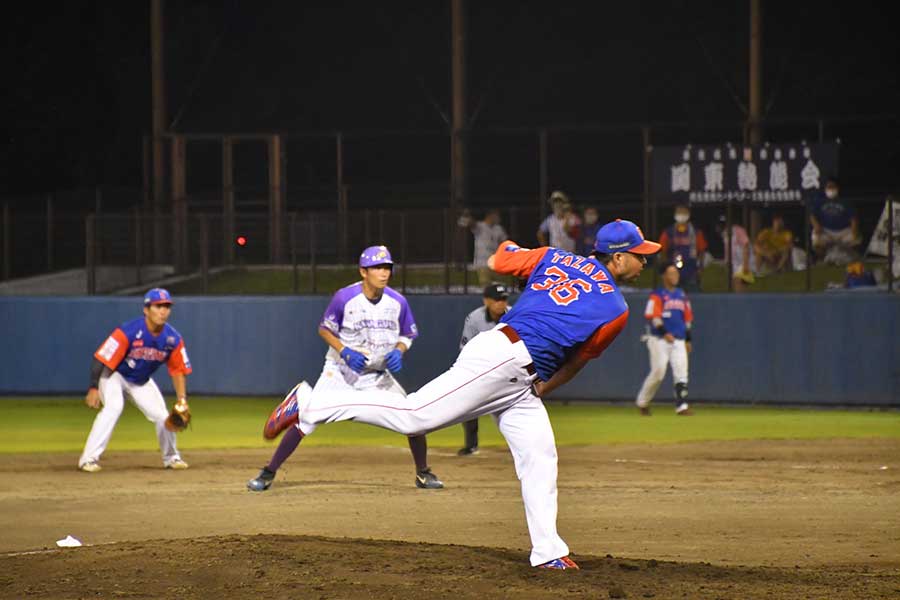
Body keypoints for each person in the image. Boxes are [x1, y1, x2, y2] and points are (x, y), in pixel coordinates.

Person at [267, 219, 660, 569]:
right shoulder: (615, 307)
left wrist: (527, 264)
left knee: (540, 456)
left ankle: (548, 551)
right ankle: (312, 402)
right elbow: (576, 361)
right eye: (640, 255)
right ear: (617, 258)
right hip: (504, 360)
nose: (645, 262)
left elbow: (498, 261)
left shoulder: (556, 257)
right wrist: (546, 386)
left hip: (516, 375)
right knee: (414, 415)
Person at [247, 245, 444, 492]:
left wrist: (399, 350)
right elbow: (324, 329)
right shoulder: (345, 297)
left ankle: (423, 473)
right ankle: (269, 471)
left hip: (377, 375)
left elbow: (408, 334)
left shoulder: (398, 302)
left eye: (387, 268)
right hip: (340, 371)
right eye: (377, 268)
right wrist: (344, 351)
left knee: (412, 419)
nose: (384, 273)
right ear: (363, 271)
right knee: (308, 420)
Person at [78, 288, 192, 472]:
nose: (163, 311)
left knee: (163, 417)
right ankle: (88, 459)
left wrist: (182, 399)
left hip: (141, 380)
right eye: (158, 306)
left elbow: (178, 370)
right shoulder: (128, 332)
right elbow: (100, 358)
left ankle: (171, 457)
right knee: (114, 407)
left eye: (167, 306)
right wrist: (93, 387)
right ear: (146, 310)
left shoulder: (173, 338)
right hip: (114, 375)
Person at [456, 281, 511, 456]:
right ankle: (471, 445)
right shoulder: (474, 319)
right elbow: (465, 348)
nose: (501, 303)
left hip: (509, 369)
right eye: (497, 300)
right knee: (469, 405)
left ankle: (519, 444)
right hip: (480, 368)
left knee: (507, 411)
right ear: (486, 301)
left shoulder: (514, 315)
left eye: (503, 299)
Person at [635, 262, 694, 416]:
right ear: (664, 276)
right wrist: (664, 331)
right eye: (671, 273)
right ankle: (643, 401)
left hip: (679, 339)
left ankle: (682, 406)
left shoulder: (682, 295)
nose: (675, 276)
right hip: (658, 339)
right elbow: (653, 316)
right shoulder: (657, 295)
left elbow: (687, 319)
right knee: (658, 372)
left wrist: (688, 339)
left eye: (676, 273)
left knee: (681, 372)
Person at [810, 178, 861, 265]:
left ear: (837, 188)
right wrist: (816, 225)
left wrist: (854, 231)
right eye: (828, 187)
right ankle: (824, 259)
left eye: (832, 187)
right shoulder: (820, 201)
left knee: (856, 239)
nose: (830, 189)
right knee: (816, 241)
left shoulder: (845, 201)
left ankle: (847, 258)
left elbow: (853, 218)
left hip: (844, 231)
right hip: (826, 230)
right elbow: (812, 216)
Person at [657, 204, 708, 292]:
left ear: (688, 214)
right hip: (672, 269)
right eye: (679, 212)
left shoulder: (696, 232)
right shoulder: (668, 232)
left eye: (684, 212)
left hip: (691, 270)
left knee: (693, 294)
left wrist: (700, 268)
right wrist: (665, 268)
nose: (681, 215)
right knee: (670, 294)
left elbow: (702, 250)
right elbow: (662, 251)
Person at [459, 208, 508, 285]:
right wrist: (466, 215)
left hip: (496, 262)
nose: (498, 218)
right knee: (486, 285)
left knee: (500, 285)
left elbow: (504, 242)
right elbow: (470, 223)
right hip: (482, 262)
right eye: (496, 216)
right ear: (490, 216)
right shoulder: (480, 226)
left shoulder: (498, 228)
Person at [716, 215, 755, 292]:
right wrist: (727, 262)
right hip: (734, 264)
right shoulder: (725, 234)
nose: (721, 226)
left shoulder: (738, 230)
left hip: (743, 262)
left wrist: (746, 265)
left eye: (724, 223)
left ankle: (741, 302)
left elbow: (746, 246)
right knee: (736, 286)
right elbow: (728, 250)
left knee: (738, 285)